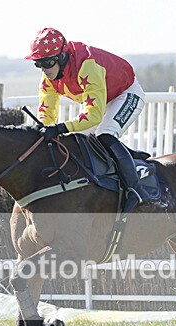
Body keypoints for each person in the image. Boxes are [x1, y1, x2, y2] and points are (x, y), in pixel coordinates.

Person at [25, 27, 149, 213]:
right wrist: (44, 128)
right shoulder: (48, 77)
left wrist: (60, 128)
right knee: (76, 142)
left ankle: (136, 192)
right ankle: (125, 160)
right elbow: (47, 112)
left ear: (62, 57)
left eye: (48, 62)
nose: (44, 69)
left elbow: (94, 115)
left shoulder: (87, 65)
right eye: (38, 64)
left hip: (125, 94)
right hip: (101, 99)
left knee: (105, 135)